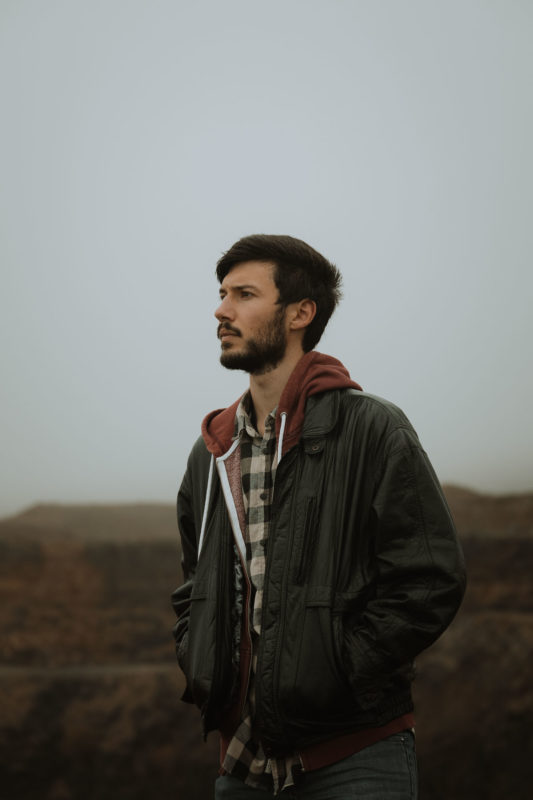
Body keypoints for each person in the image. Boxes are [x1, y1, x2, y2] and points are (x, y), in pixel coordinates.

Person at [171, 234, 466, 799]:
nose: (221, 309)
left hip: (355, 753)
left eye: (244, 294)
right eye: (221, 294)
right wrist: (198, 656)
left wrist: (337, 671)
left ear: (300, 313)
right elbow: (193, 585)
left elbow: (429, 579)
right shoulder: (213, 452)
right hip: (242, 762)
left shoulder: (372, 429)